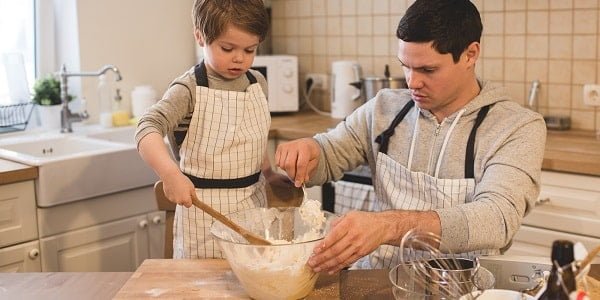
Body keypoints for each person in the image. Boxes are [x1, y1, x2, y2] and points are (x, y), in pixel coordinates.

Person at [275, 0, 546, 274]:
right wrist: (310, 151)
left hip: (464, 288)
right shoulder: (383, 109)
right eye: (406, 66)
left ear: (470, 54)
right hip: (377, 283)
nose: (412, 82)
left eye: (428, 70)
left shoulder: (516, 127)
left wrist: (387, 226)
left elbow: (496, 218)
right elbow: (330, 153)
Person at [136, 0, 290, 259]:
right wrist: (170, 174)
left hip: (252, 207)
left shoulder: (257, 83)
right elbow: (146, 128)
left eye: (250, 49)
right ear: (200, 36)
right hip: (202, 216)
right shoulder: (188, 90)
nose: (240, 58)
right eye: (227, 48)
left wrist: (268, 173)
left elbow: (252, 137)